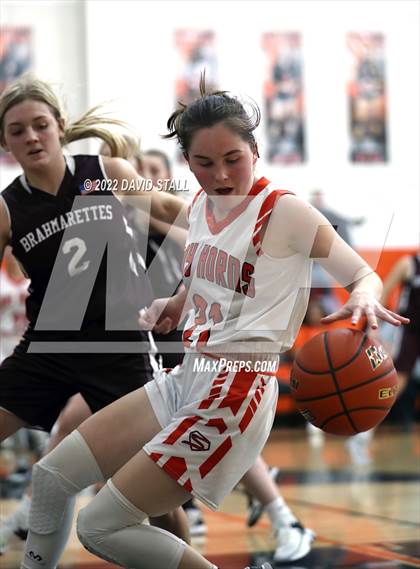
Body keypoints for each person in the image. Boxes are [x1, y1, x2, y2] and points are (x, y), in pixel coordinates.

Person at [21, 81, 408, 569]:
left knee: (98, 527)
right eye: (204, 164)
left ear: (256, 150)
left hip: (236, 389)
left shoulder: (284, 211)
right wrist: (176, 302)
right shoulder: (202, 207)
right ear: (188, 162)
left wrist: (366, 300)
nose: (221, 175)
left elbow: (362, 274)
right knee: (52, 477)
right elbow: (204, 283)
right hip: (190, 375)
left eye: (233, 159)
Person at [0, 74, 191, 554]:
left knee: (152, 492)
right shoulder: (7, 209)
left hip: (120, 346)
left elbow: (176, 213)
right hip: (48, 347)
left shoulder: (104, 171)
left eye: (39, 125)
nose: (30, 137)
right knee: (54, 472)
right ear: (5, 143)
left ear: (59, 127)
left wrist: (234, 230)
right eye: (17, 130)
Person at [381, 251, 420, 430]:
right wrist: (375, 329)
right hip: (407, 330)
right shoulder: (408, 263)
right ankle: (365, 430)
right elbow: (384, 292)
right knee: (398, 379)